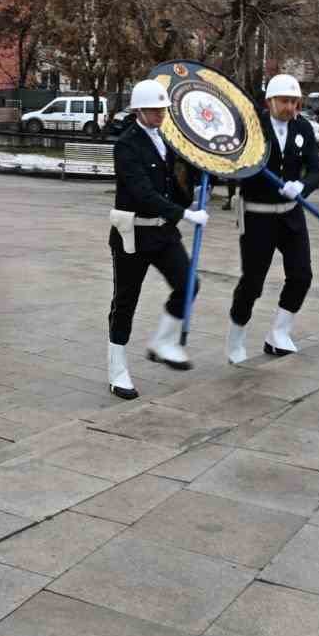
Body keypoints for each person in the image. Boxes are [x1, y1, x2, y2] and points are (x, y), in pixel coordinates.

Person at [104, 79, 207, 400]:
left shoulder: (164, 140)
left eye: (163, 109)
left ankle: (162, 341)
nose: (161, 114)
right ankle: (116, 369)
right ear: (138, 110)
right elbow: (142, 193)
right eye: (154, 109)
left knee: (189, 283)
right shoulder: (126, 145)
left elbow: (170, 186)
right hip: (133, 233)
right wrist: (185, 215)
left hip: (162, 232)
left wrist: (195, 188)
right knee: (125, 301)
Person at [226, 74, 319, 365]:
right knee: (253, 282)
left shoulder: (303, 127)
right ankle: (236, 336)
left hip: (291, 214)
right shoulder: (252, 127)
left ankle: (279, 333)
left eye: (295, 102)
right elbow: (235, 164)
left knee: (302, 275)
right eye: (285, 101)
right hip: (258, 214)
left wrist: (303, 186)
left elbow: (317, 169)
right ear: (270, 101)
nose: (290, 107)